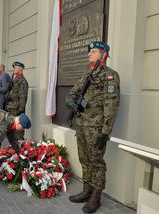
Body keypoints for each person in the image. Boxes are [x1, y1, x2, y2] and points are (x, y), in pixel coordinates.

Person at [65, 41, 120, 213]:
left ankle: (96, 197)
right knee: (84, 158)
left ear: (103, 54)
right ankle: (86, 190)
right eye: (90, 51)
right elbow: (71, 95)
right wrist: (71, 104)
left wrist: (106, 131)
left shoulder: (110, 76)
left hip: (96, 127)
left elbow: (112, 105)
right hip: (82, 124)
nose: (89, 54)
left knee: (96, 162)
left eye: (94, 51)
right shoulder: (87, 74)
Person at [6, 61, 29, 142]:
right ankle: (12, 145)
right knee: (12, 127)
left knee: (18, 129)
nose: (14, 69)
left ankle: (18, 144)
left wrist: (21, 110)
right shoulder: (15, 79)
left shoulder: (22, 81)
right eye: (14, 68)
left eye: (15, 68)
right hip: (12, 106)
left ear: (21, 69)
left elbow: (23, 96)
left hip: (17, 108)